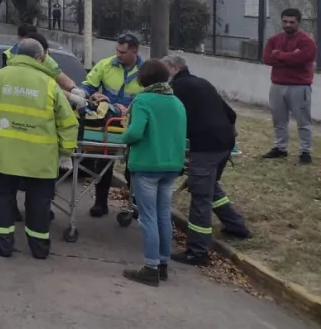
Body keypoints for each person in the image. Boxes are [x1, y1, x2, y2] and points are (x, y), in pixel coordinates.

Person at [0, 38, 78, 259]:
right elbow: (68, 122)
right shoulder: (49, 84)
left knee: (3, 197)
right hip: (41, 157)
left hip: (4, 153)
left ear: (15, 54)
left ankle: (2, 243)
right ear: (40, 58)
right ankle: (39, 248)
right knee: (39, 201)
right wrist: (66, 152)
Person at [163, 54, 251, 267]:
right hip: (224, 142)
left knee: (200, 195)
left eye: (164, 70)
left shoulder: (177, 89)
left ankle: (198, 251)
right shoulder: (202, 83)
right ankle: (236, 226)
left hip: (206, 145)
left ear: (173, 68)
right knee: (211, 186)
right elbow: (230, 113)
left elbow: (169, 119)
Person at [120, 59, 187, 287]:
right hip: (171, 166)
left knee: (147, 217)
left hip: (147, 165)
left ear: (143, 78)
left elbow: (136, 132)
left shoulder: (143, 100)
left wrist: (123, 135)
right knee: (162, 215)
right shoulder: (176, 102)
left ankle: (150, 268)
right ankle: (163, 264)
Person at [81, 32, 144, 217]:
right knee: (102, 164)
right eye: (117, 51)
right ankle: (101, 204)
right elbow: (87, 86)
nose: (118, 55)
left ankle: (136, 206)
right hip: (108, 126)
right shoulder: (105, 65)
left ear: (134, 51)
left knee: (134, 168)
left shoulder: (145, 71)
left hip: (134, 125)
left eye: (123, 52)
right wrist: (90, 96)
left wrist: (129, 109)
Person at [262, 8, 317, 165]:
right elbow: (266, 58)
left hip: (299, 86)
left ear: (298, 22)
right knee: (279, 120)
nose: (288, 25)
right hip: (277, 85)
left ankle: (305, 152)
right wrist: (291, 56)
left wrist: (278, 54)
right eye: (285, 21)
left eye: (292, 22)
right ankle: (280, 148)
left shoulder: (307, 41)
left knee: (303, 121)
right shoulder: (274, 39)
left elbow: (302, 58)